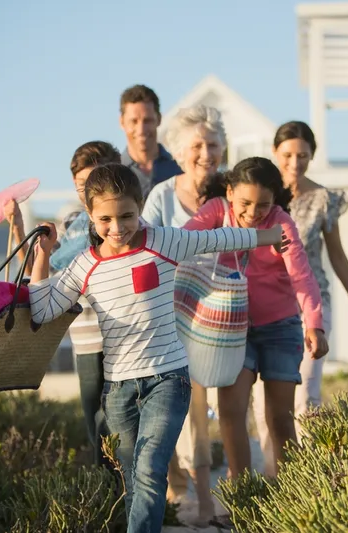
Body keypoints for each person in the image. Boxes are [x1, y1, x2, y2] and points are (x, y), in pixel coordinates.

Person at [28, 162, 289, 533]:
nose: (117, 227)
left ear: (140, 206)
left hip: (168, 379)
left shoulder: (163, 241)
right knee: (133, 479)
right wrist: (42, 254)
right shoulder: (85, 264)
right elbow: (42, 308)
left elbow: (218, 238)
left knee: (150, 470)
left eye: (127, 216)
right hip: (118, 390)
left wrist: (270, 235)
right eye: (105, 219)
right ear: (90, 214)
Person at [183, 157, 329, 480]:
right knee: (231, 412)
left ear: (275, 200)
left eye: (263, 204)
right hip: (231, 329)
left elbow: (302, 275)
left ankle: (293, 494)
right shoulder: (217, 211)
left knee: (280, 418)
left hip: (280, 327)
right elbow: (184, 241)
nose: (252, 213)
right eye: (245, 203)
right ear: (230, 192)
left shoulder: (281, 223)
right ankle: (243, 493)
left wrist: (314, 323)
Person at [251, 121, 348, 477]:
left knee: (305, 393)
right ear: (275, 153)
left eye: (303, 155)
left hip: (311, 303)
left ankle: (309, 476)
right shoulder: (260, 194)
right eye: (288, 154)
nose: (295, 162)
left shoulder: (323, 199)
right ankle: (273, 473)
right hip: (265, 303)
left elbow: (337, 255)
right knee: (262, 399)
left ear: (312, 156)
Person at [3, 141, 123, 466]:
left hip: (122, 339)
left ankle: (131, 490)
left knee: (122, 425)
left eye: (98, 180)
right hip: (85, 342)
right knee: (96, 429)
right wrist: (19, 228)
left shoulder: (124, 223)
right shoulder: (73, 223)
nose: (89, 192)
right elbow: (41, 276)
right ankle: (109, 492)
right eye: (82, 185)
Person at [142, 104, 226, 527]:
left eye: (212, 144)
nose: (205, 153)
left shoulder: (231, 193)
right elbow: (145, 250)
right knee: (185, 410)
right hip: (173, 317)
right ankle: (195, 498)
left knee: (216, 410)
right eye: (197, 145)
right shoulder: (162, 195)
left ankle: (223, 497)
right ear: (179, 150)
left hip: (224, 318)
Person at [118, 84, 182, 198]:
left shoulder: (180, 169)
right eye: (134, 121)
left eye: (147, 120)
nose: (141, 129)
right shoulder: (114, 174)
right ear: (122, 122)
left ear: (159, 119)